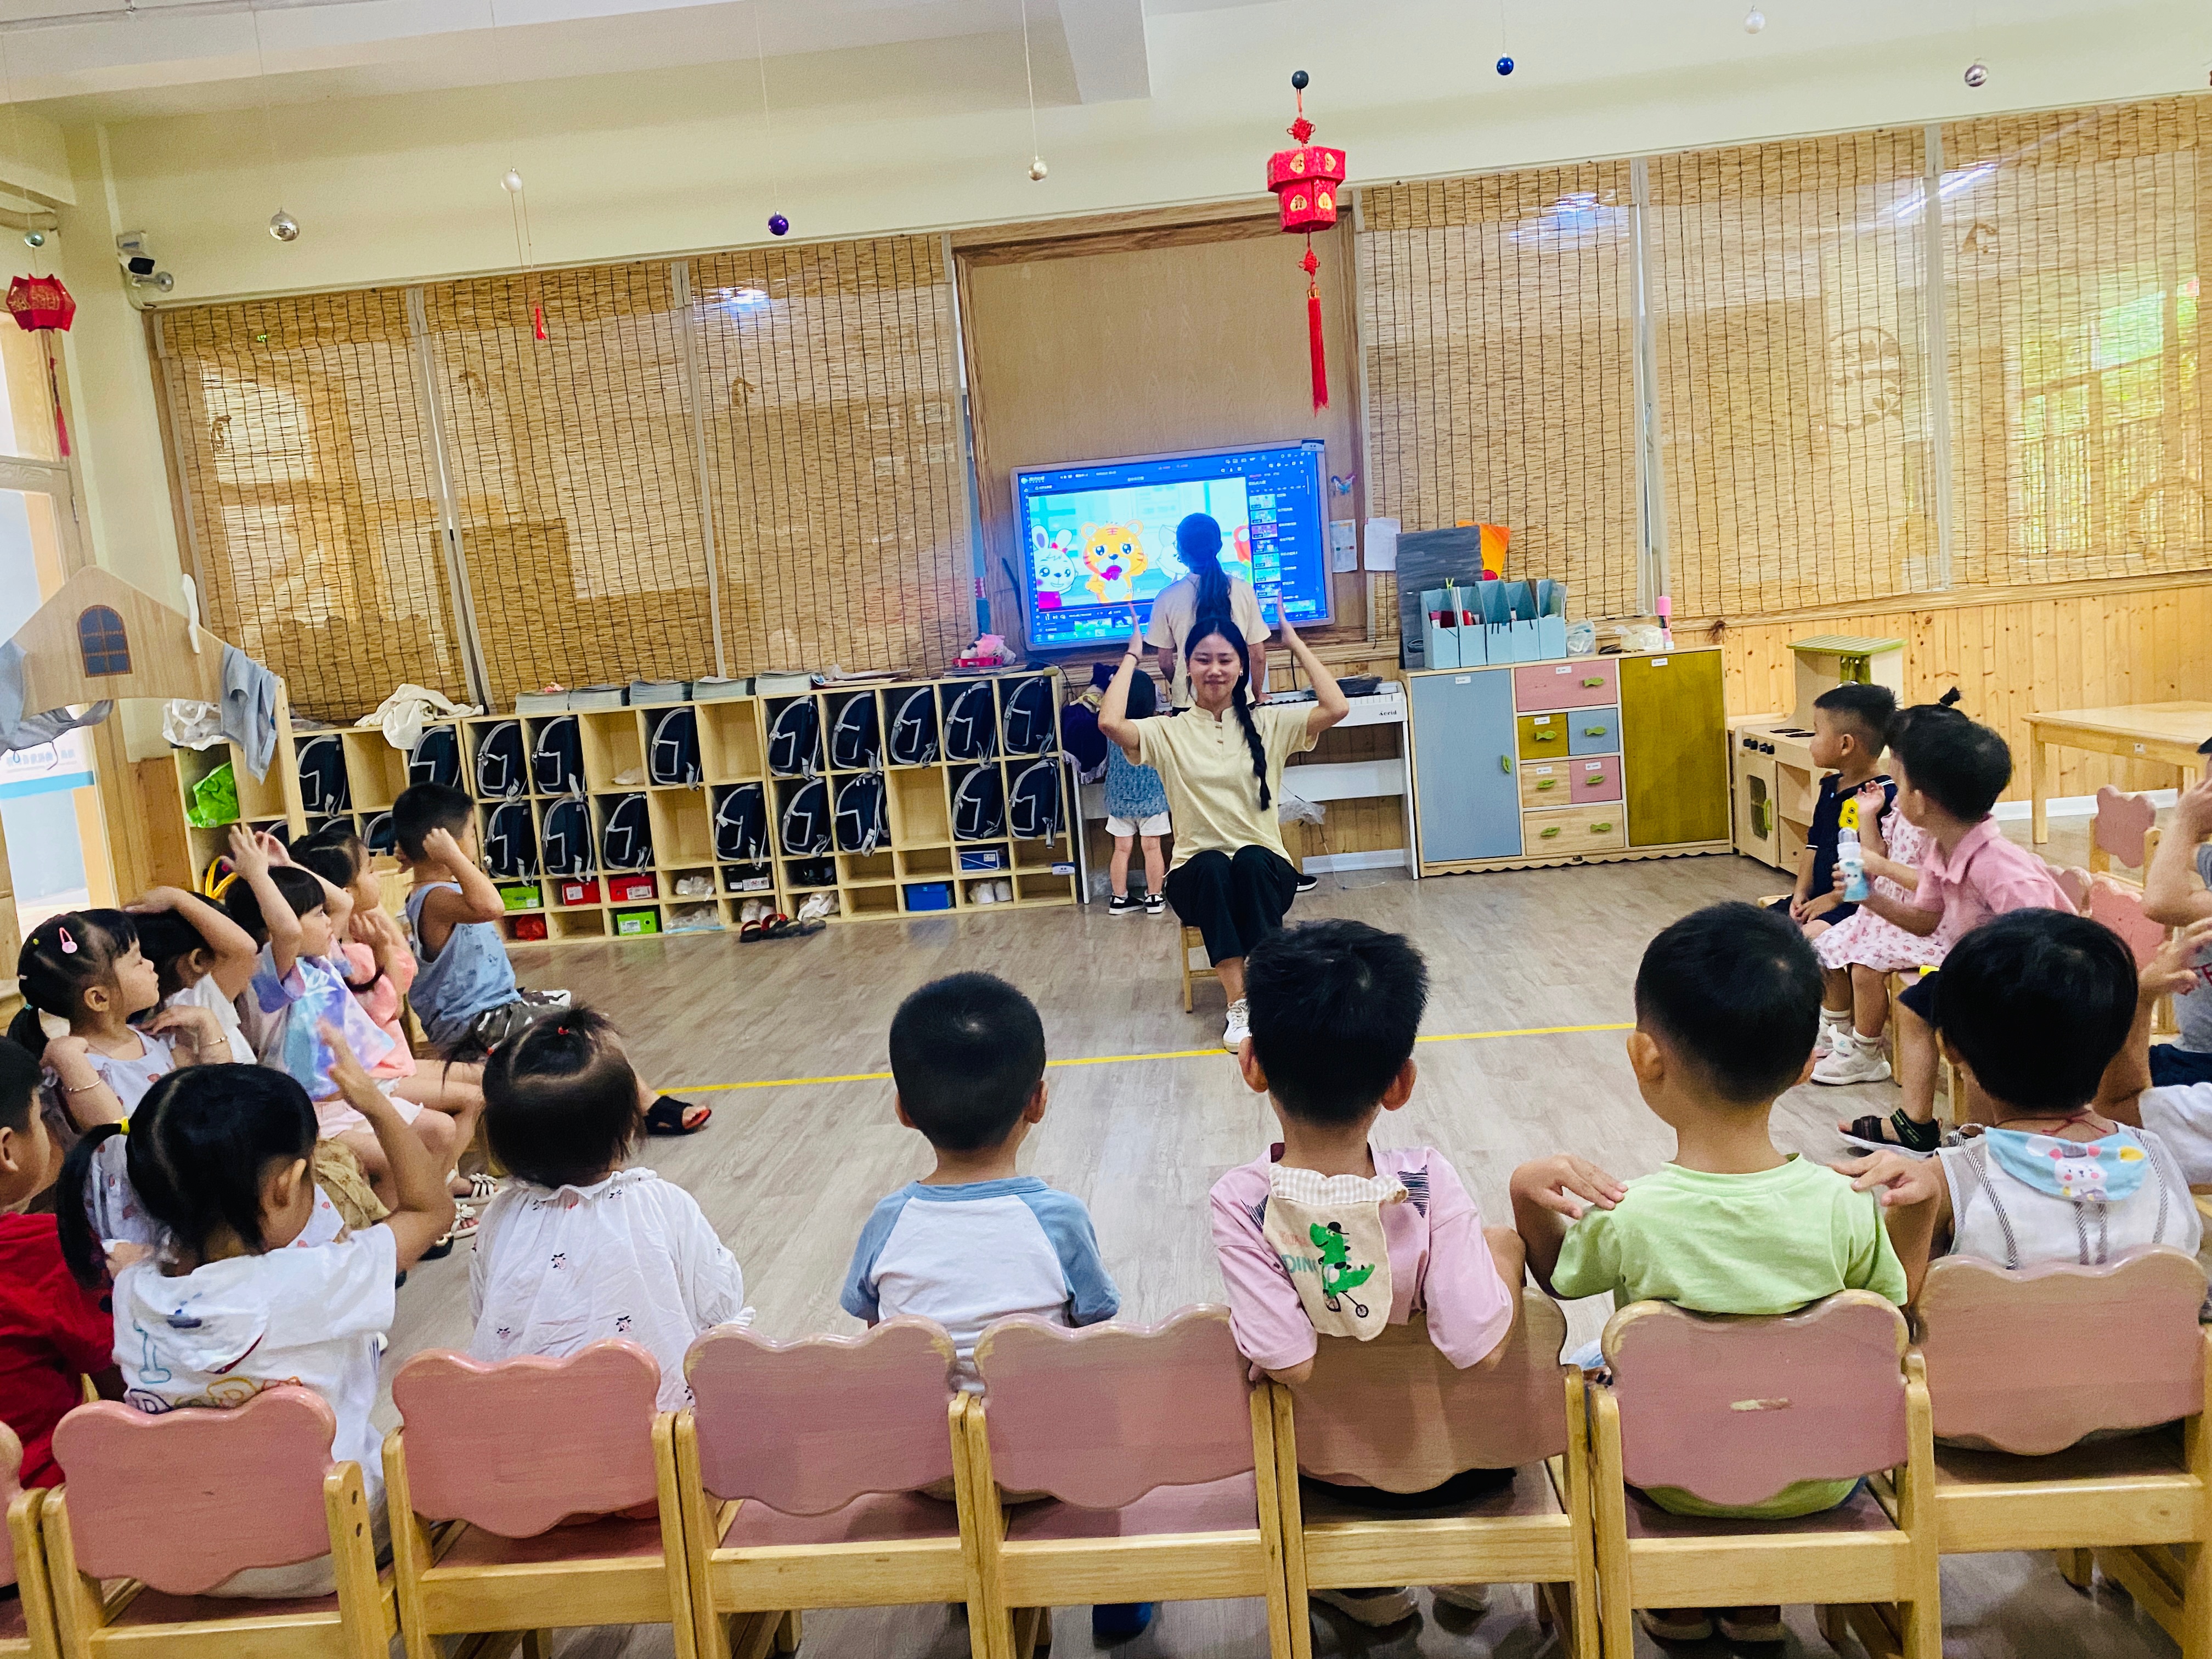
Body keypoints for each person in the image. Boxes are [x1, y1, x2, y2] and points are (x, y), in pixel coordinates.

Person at [1511, 902, 1905, 1649]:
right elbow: (1885, 1321)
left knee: (1588, 1370)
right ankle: (1756, 1604)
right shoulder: (1845, 1204)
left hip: (1669, 1476)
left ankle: (1678, 1599)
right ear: (1806, 1064)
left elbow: (1559, 1276)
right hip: (1823, 1473)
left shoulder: (1631, 1214)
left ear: (1645, 1058)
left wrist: (1526, 1195)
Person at [60, 1031, 453, 1598]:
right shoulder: (315, 1279)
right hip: (324, 1551)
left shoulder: (131, 1292)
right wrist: (374, 1104)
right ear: (284, 1187)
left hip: (184, 1560)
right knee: (442, 1463)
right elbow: (431, 1209)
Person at [1210, 919, 1521, 1629]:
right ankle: (1465, 1558)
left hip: (1328, 1480)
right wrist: (1506, 1256)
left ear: (1252, 1064)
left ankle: (1363, 1587)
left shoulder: (1242, 1202)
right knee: (1496, 1258)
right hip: (1463, 1475)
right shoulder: (1429, 1182)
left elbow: (1288, 1360)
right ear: (1401, 1083)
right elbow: (1480, 1345)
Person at [1842, 911, 2203, 1301]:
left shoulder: (1949, 1181)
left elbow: (1893, 1307)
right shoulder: (2158, 1157)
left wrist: (1914, 1211)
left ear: (1951, 1049)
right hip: (2143, 1342)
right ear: (2116, 1044)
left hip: (1993, 1344)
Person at [468, 1008, 750, 1409]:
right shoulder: (662, 1204)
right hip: (654, 1422)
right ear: (630, 1124)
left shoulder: (499, 1216)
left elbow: (484, 1313)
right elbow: (721, 1301)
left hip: (531, 1419)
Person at [1821, 701, 2074, 1146]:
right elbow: (1924, 920)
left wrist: (1988, 1000)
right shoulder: (1943, 849)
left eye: (1898, 782)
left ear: (1919, 800)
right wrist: (1868, 897)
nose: (1894, 792)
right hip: (1983, 974)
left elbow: (2047, 949)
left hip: (2034, 986)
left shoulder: (2002, 869)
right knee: (1915, 1006)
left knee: (1975, 1046)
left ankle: (1987, 1137)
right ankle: (1919, 1124)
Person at [1099, 600, 1349, 1051]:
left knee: (1251, 859)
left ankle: (1270, 995)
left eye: (1225, 660)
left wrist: (1293, 642)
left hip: (1265, 872)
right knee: (1214, 864)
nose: (1214, 670)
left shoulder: (1269, 722)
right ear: (1187, 667)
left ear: (1240, 667)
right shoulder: (1168, 731)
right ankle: (1240, 1005)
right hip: (1195, 877)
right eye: (1203, 659)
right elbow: (1110, 722)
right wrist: (1134, 653)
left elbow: (1336, 707)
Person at [840, 972, 1118, 1376]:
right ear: (1037, 1103)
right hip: (1038, 1412)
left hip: (921, 1416)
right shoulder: (1061, 1219)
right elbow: (1095, 1331)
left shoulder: (887, 1221)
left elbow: (879, 1336)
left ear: (903, 1112)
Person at [395, 785, 708, 1135]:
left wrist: (446, 861)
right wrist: (455, 859)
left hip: (494, 1013)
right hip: (476, 1025)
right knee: (587, 1031)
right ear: (443, 846)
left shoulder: (442, 893)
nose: (475, 841)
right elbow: (493, 907)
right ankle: (645, 1107)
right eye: (470, 833)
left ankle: (632, 1106)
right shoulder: (434, 899)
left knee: (587, 1023)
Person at [220, 826, 465, 1226]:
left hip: (351, 1099)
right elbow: (288, 931)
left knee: (440, 1132)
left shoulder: (320, 962)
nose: (329, 921)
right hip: (314, 1115)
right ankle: (388, 1231)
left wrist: (288, 866)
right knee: (398, 1158)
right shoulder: (269, 980)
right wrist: (258, 877)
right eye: (316, 915)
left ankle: (415, 1221)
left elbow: (343, 903)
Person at [290, 821, 493, 1204]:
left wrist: (379, 924)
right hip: (378, 1073)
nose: (378, 876)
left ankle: (439, 1185)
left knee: (483, 1081)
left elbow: (404, 971)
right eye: (369, 870)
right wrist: (383, 948)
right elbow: (394, 1002)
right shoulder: (342, 953)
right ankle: (435, 1191)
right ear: (345, 892)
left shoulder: (349, 937)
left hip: (389, 1065)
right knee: (470, 1099)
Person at [7, 909, 229, 1176]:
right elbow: (115, 1132)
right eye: (137, 961)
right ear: (99, 998)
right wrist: (68, 1059)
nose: (151, 965)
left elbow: (220, 1096)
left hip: (181, 1186)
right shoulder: (74, 1065)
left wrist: (208, 1023)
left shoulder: (157, 1039)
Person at [0, 1037, 121, 1489]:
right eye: (40, 1118)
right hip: (39, 1512)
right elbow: (126, 1390)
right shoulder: (47, 1249)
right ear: (7, 1150)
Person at [1775, 682, 1897, 955]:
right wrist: (1800, 893)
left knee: (1797, 945)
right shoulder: (1830, 787)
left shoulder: (1883, 797)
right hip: (1816, 899)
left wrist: (1833, 899)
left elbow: (1879, 867)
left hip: (1855, 907)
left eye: (1817, 732)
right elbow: (1814, 844)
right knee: (1753, 931)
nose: (1811, 741)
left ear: (1845, 744)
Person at [1144, 512, 1269, 710]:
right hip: (1238, 699)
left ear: (1180, 551)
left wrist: (1182, 686)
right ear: (1219, 546)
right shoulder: (1244, 590)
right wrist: (1256, 693)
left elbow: (1165, 663)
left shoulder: (1166, 597)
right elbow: (1258, 656)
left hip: (1188, 704)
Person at [128, 884, 258, 1066]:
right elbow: (244, 949)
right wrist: (176, 898)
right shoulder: (197, 998)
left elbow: (243, 949)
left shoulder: (150, 1009)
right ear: (198, 960)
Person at [2142, 768, 2212, 1088]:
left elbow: (2161, 903)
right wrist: (2190, 830)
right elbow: (2188, 855)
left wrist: (2184, 822)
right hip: (2193, 1050)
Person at [1102, 667, 1170, 916]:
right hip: (1153, 798)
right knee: (1152, 848)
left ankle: (1119, 898)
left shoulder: (1113, 728)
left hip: (1119, 798)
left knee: (1121, 849)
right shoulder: (1157, 726)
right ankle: (1154, 897)